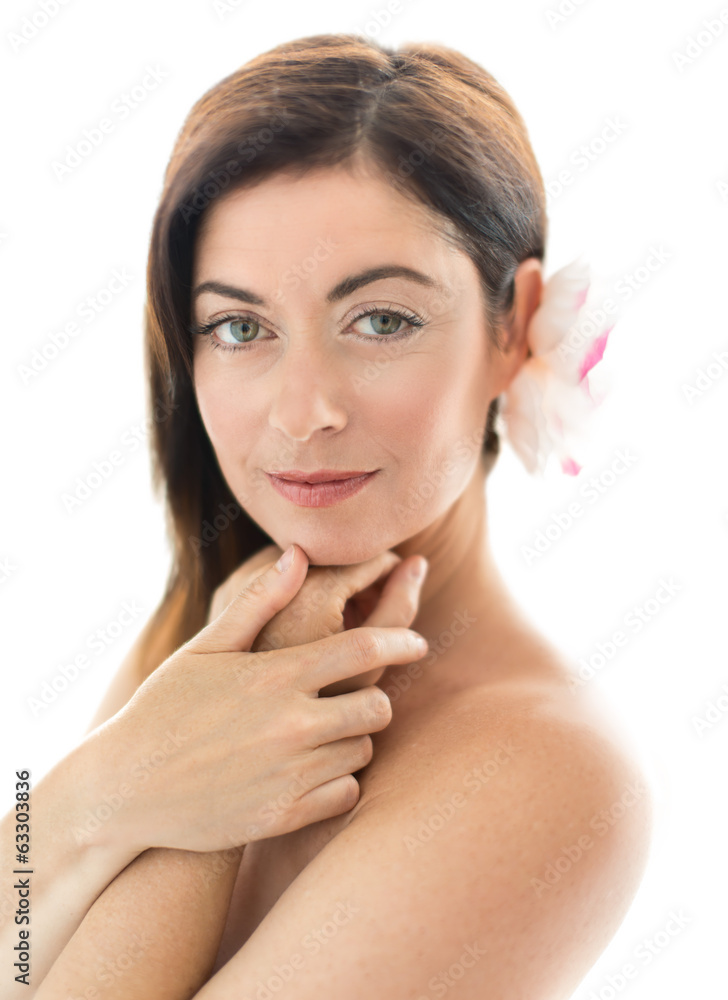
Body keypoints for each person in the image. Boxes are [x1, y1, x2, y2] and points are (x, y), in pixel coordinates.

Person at [11, 31, 651, 999]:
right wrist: (102, 788)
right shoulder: (217, 635)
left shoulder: (547, 771)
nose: (303, 410)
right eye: (240, 327)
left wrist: (178, 810)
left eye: (381, 320)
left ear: (514, 328)